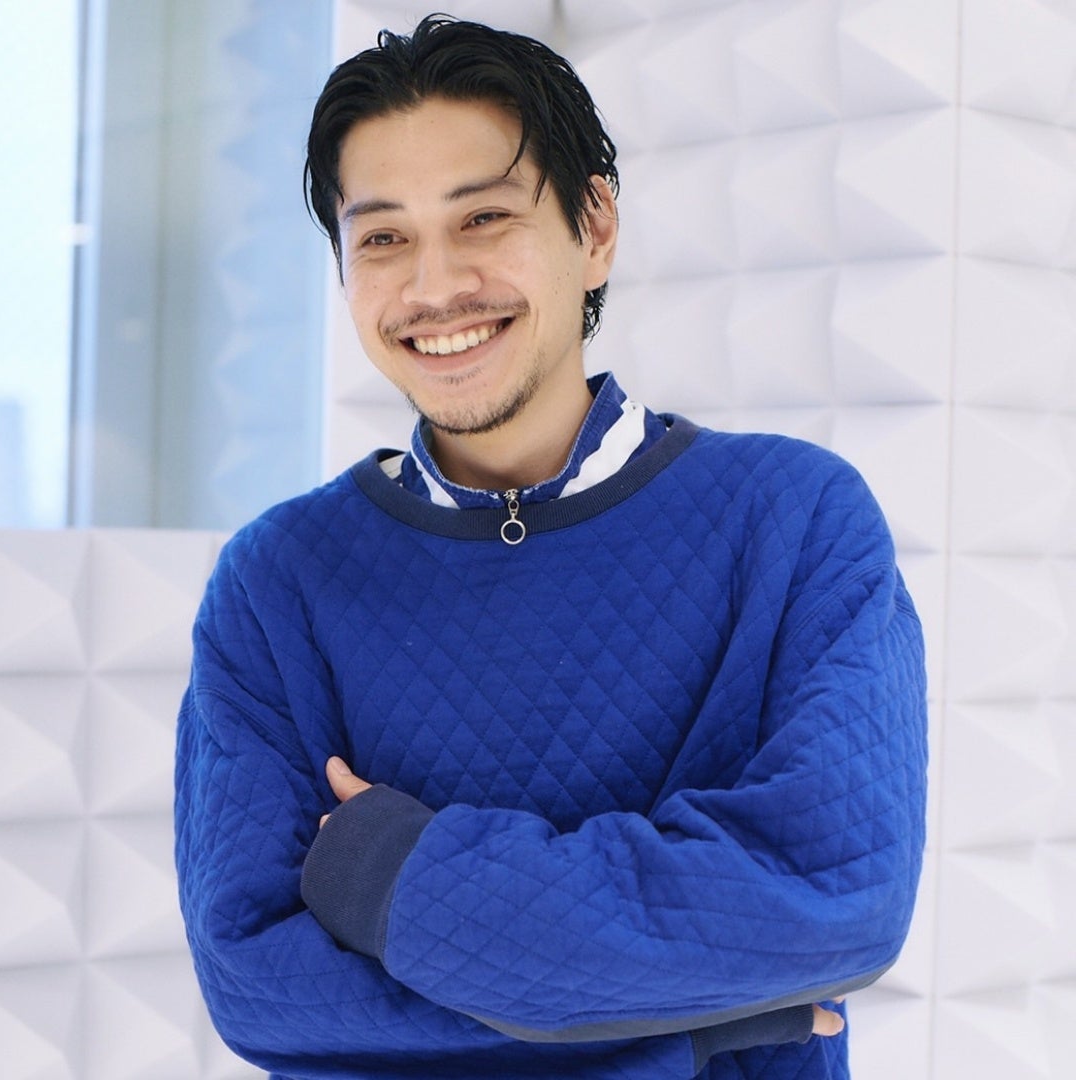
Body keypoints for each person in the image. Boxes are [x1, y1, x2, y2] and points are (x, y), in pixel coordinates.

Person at [174, 14, 928, 1080]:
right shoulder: (275, 583)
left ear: (595, 226)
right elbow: (260, 983)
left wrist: (391, 878)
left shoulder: (797, 520)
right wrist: (692, 1023)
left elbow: (837, 897)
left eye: (484, 217)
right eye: (383, 238)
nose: (435, 287)